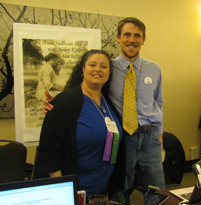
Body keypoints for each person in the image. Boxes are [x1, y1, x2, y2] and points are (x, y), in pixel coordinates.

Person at [43, 17, 165, 192]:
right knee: (123, 189)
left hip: (150, 136)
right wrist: (56, 103)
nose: (132, 40)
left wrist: (159, 139)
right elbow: (85, 91)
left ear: (143, 39)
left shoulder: (155, 69)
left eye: (137, 35)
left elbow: (159, 104)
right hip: (123, 137)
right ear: (118, 37)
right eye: (127, 34)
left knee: (156, 189)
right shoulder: (109, 68)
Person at [34, 49, 126, 199]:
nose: (98, 69)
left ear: (109, 73)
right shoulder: (65, 101)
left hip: (102, 192)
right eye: (92, 65)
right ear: (83, 69)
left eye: (103, 66)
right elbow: (50, 149)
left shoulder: (108, 102)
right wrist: (62, 191)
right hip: (73, 193)